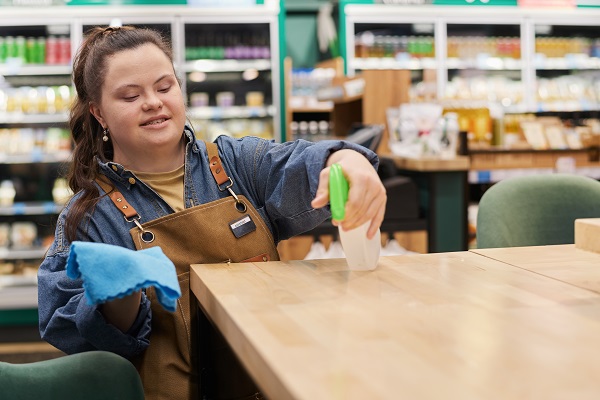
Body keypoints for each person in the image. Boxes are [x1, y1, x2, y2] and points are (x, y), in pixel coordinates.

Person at [37, 26, 386, 400]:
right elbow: (80, 339)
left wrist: (347, 159)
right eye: (130, 95)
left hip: (268, 385)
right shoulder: (89, 218)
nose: (153, 102)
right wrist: (115, 298)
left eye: (165, 86)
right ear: (98, 113)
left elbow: (302, 163)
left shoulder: (236, 165)